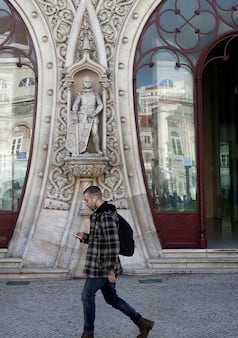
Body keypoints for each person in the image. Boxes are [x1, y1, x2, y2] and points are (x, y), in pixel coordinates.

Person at [74, 186, 154, 338]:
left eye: (86, 200)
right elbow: (100, 239)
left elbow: (113, 244)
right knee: (112, 299)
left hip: (102, 267)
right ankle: (142, 323)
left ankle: (88, 332)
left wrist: (110, 270)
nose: (85, 203)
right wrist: (84, 237)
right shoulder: (99, 214)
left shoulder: (106, 215)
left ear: (95, 198)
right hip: (101, 265)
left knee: (86, 295)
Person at [66, 76, 103, 155]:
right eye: (86, 82)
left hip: (93, 115)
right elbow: (75, 104)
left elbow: (100, 104)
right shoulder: (80, 94)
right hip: (82, 116)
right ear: (83, 83)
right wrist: (75, 113)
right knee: (82, 133)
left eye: (89, 82)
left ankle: (97, 149)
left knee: (94, 132)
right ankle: (82, 150)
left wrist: (95, 112)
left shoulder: (95, 94)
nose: (87, 84)